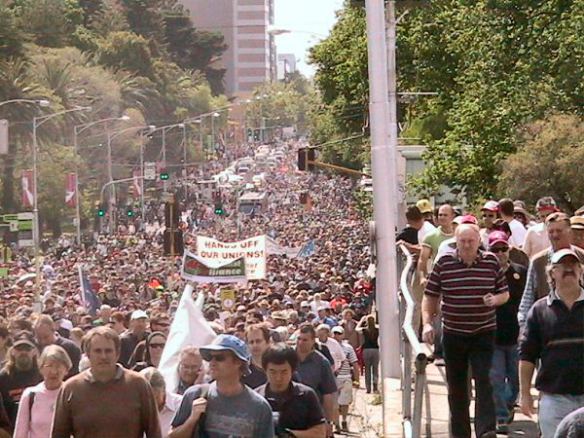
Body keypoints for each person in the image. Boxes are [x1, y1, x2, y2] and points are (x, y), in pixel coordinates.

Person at [422, 224, 509, 438]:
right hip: (454, 333)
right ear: (456, 242)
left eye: (471, 241)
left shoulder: (490, 262)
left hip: (483, 331)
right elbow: (430, 295)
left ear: (479, 241)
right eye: (463, 241)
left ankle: (486, 431)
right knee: (457, 388)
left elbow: (504, 293)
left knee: (485, 381)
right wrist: (426, 323)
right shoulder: (444, 263)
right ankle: (461, 433)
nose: (467, 245)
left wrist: (494, 300)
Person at [51, 326, 161, 438]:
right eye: (97, 351)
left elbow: (154, 432)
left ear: (117, 354)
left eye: (108, 351)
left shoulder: (138, 384)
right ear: (88, 355)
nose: (103, 356)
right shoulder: (71, 389)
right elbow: (59, 434)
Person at [519, 249, 584, 438]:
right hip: (554, 398)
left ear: (581, 270)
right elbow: (527, 355)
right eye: (562, 266)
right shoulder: (539, 310)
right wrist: (524, 394)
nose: (568, 269)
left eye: (573, 265)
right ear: (552, 273)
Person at [169, 334, 274, 438]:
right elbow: (172, 436)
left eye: (219, 358)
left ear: (238, 362)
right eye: (210, 357)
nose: (212, 363)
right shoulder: (194, 395)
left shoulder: (259, 407)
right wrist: (192, 419)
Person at [486, 231, 527, 433]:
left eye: (503, 248)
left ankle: (509, 405)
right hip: (493, 335)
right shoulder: (485, 274)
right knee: (496, 378)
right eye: (495, 249)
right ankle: (501, 417)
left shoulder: (521, 272)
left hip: (517, 335)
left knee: (515, 380)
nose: (500, 253)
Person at [518, 212, 584, 327]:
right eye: (551, 231)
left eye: (559, 231)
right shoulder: (538, 262)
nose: (554, 235)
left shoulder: (581, 257)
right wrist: (523, 327)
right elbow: (527, 299)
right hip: (548, 326)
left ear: (570, 232)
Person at [256, 343, 326, 438]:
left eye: (284, 372)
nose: (278, 378)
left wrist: (289, 435)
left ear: (292, 370)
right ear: (265, 370)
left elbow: (320, 432)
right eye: (273, 372)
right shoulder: (256, 399)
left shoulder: (306, 395)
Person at [13, 345, 71, 438]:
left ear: (66, 370)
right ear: (41, 369)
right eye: (49, 366)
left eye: (58, 366)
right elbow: (20, 433)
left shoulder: (71, 393)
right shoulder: (30, 395)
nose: (53, 371)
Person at [295, 324, 337, 438]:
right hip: (291, 417)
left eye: (305, 340)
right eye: (298, 339)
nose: (300, 343)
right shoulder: (288, 358)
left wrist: (328, 422)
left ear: (313, 341)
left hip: (314, 418)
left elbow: (328, 395)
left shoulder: (322, 363)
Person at [0, 331, 42, 428]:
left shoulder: (42, 375)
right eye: (19, 349)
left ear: (34, 351)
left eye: (27, 349)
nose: (23, 352)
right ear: (12, 352)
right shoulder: (3, 377)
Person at [140, 367, 183, 438]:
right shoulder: (133, 407)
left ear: (163, 390)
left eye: (155, 398)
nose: (150, 403)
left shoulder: (180, 405)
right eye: (145, 398)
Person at [331, 326, 359, 433]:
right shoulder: (329, 347)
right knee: (335, 403)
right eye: (335, 333)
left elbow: (354, 363)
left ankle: (343, 420)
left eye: (339, 333)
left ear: (343, 335)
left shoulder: (348, 348)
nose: (336, 335)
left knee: (345, 402)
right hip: (333, 378)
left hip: (345, 377)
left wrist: (356, 379)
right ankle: (336, 423)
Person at [242, 323, 270, 389]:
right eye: (251, 342)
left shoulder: (279, 364)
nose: (255, 345)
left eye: (258, 341)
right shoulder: (242, 370)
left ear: (268, 342)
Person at [356, 314, 379, 394]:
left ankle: (368, 388)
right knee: (375, 369)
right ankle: (375, 387)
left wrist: (361, 321)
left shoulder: (364, 330)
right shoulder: (377, 329)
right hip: (376, 350)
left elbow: (357, 329)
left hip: (366, 350)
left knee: (367, 370)